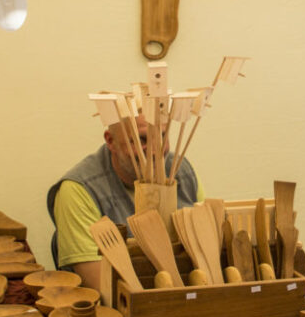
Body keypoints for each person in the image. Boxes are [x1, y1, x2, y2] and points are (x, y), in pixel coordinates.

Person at [48, 117, 199, 289]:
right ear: (110, 141)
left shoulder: (180, 169)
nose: (155, 152)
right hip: (119, 303)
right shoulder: (78, 190)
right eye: (141, 139)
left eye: (162, 136)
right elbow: (103, 289)